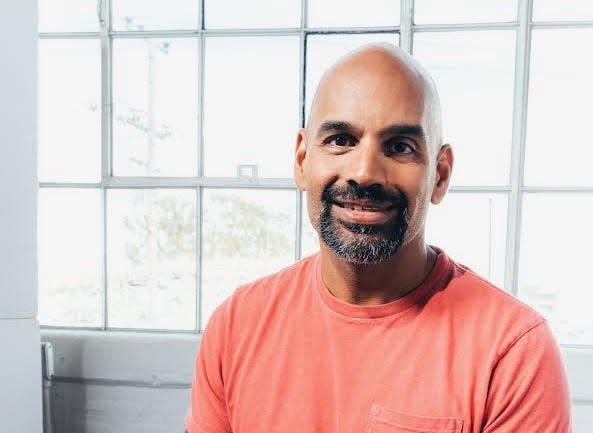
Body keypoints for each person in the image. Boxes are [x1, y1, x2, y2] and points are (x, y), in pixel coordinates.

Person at [185, 43, 572, 433]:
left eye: (399, 147)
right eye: (340, 140)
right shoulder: (236, 326)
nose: (365, 172)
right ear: (302, 161)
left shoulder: (512, 352)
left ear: (439, 175)